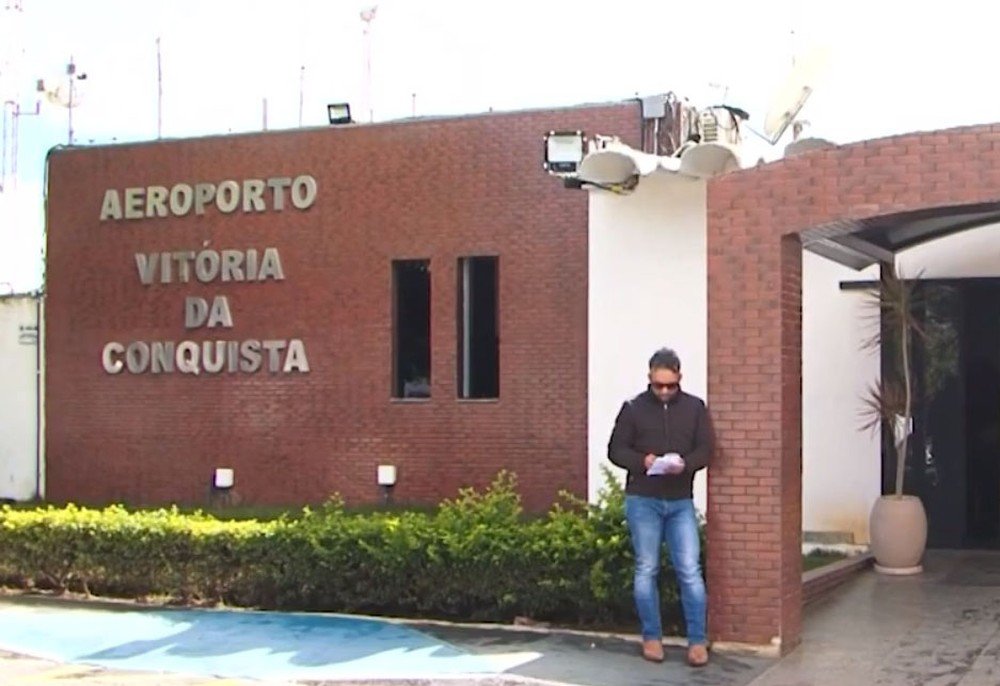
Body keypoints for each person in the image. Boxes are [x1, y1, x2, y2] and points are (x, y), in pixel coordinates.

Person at [607, 347, 713, 668]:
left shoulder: (695, 408)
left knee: (690, 571)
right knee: (646, 569)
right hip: (644, 499)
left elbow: (707, 449)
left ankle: (697, 642)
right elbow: (615, 450)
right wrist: (644, 461)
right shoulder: (633, 408)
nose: (664, 391)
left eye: (670, 385)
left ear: (680, 378)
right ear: (650, 379)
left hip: (680, 501)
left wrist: (686, 464)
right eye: (658, 385)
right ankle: (651, 637)